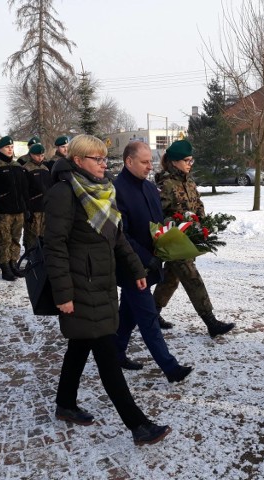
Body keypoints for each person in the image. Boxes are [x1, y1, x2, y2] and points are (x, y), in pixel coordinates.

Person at [43, 134, 170, 446]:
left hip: (101, 284)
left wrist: (136, 269)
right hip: (80, 287)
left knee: (79, 346)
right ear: (78, 161)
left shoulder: (102, 191)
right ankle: (138, 425)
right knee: (107, 357)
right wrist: (64, 295)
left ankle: (65, 404)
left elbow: (117, 238)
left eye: (103, 158)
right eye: (96, 159)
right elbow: (54, 248)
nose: (103, 164)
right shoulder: (64, 193)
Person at [113, 141, 192, 382]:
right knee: (148, 319)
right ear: (129, 162)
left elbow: (159, 224)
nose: (151, 166)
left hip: (151, 262)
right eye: (145, 162)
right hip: (132, 267)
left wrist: (173, 238)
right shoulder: (116, 190)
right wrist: (146, 258)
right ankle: (171, 368)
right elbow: (121, 235)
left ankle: (115, 354)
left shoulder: (149, 188)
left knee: (127, 314)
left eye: (151, 161)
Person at [153, 139, 235, 337]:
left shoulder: (188, 181)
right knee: (191, 277)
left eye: (192, 160)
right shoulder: (165, 184)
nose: (190, 164)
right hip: (175, 241)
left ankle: (152, 314)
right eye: (187, 160)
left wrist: (201, 225)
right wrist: (177, 223)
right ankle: (210, 321)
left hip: (189, 238)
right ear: (174, 162)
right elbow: (157, 214)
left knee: (170, 280)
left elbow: (198, 204)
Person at [0, 136, 29, 281]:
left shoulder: (17, 166)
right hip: (3, 211)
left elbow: (23, 189)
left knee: (15, 239)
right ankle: (5, 267)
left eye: (11, 147)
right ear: (0, 149)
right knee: (4, 240)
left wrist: (25, 207)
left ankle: (13, 264)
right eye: (6, 147)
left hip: (18, 210)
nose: (10, 150)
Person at [22, 143, 51, 251]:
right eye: (37, 155)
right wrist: (27, 209)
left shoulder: (45, 169)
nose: (40, 157)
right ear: (31, 155)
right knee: (32, 235)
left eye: (42, 155)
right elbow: (24, 191)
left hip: (45, 207)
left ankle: (41, 256)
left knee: (44, 234)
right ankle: (31, 255)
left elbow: (49, 187)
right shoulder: (26, 169)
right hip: (33, 208)